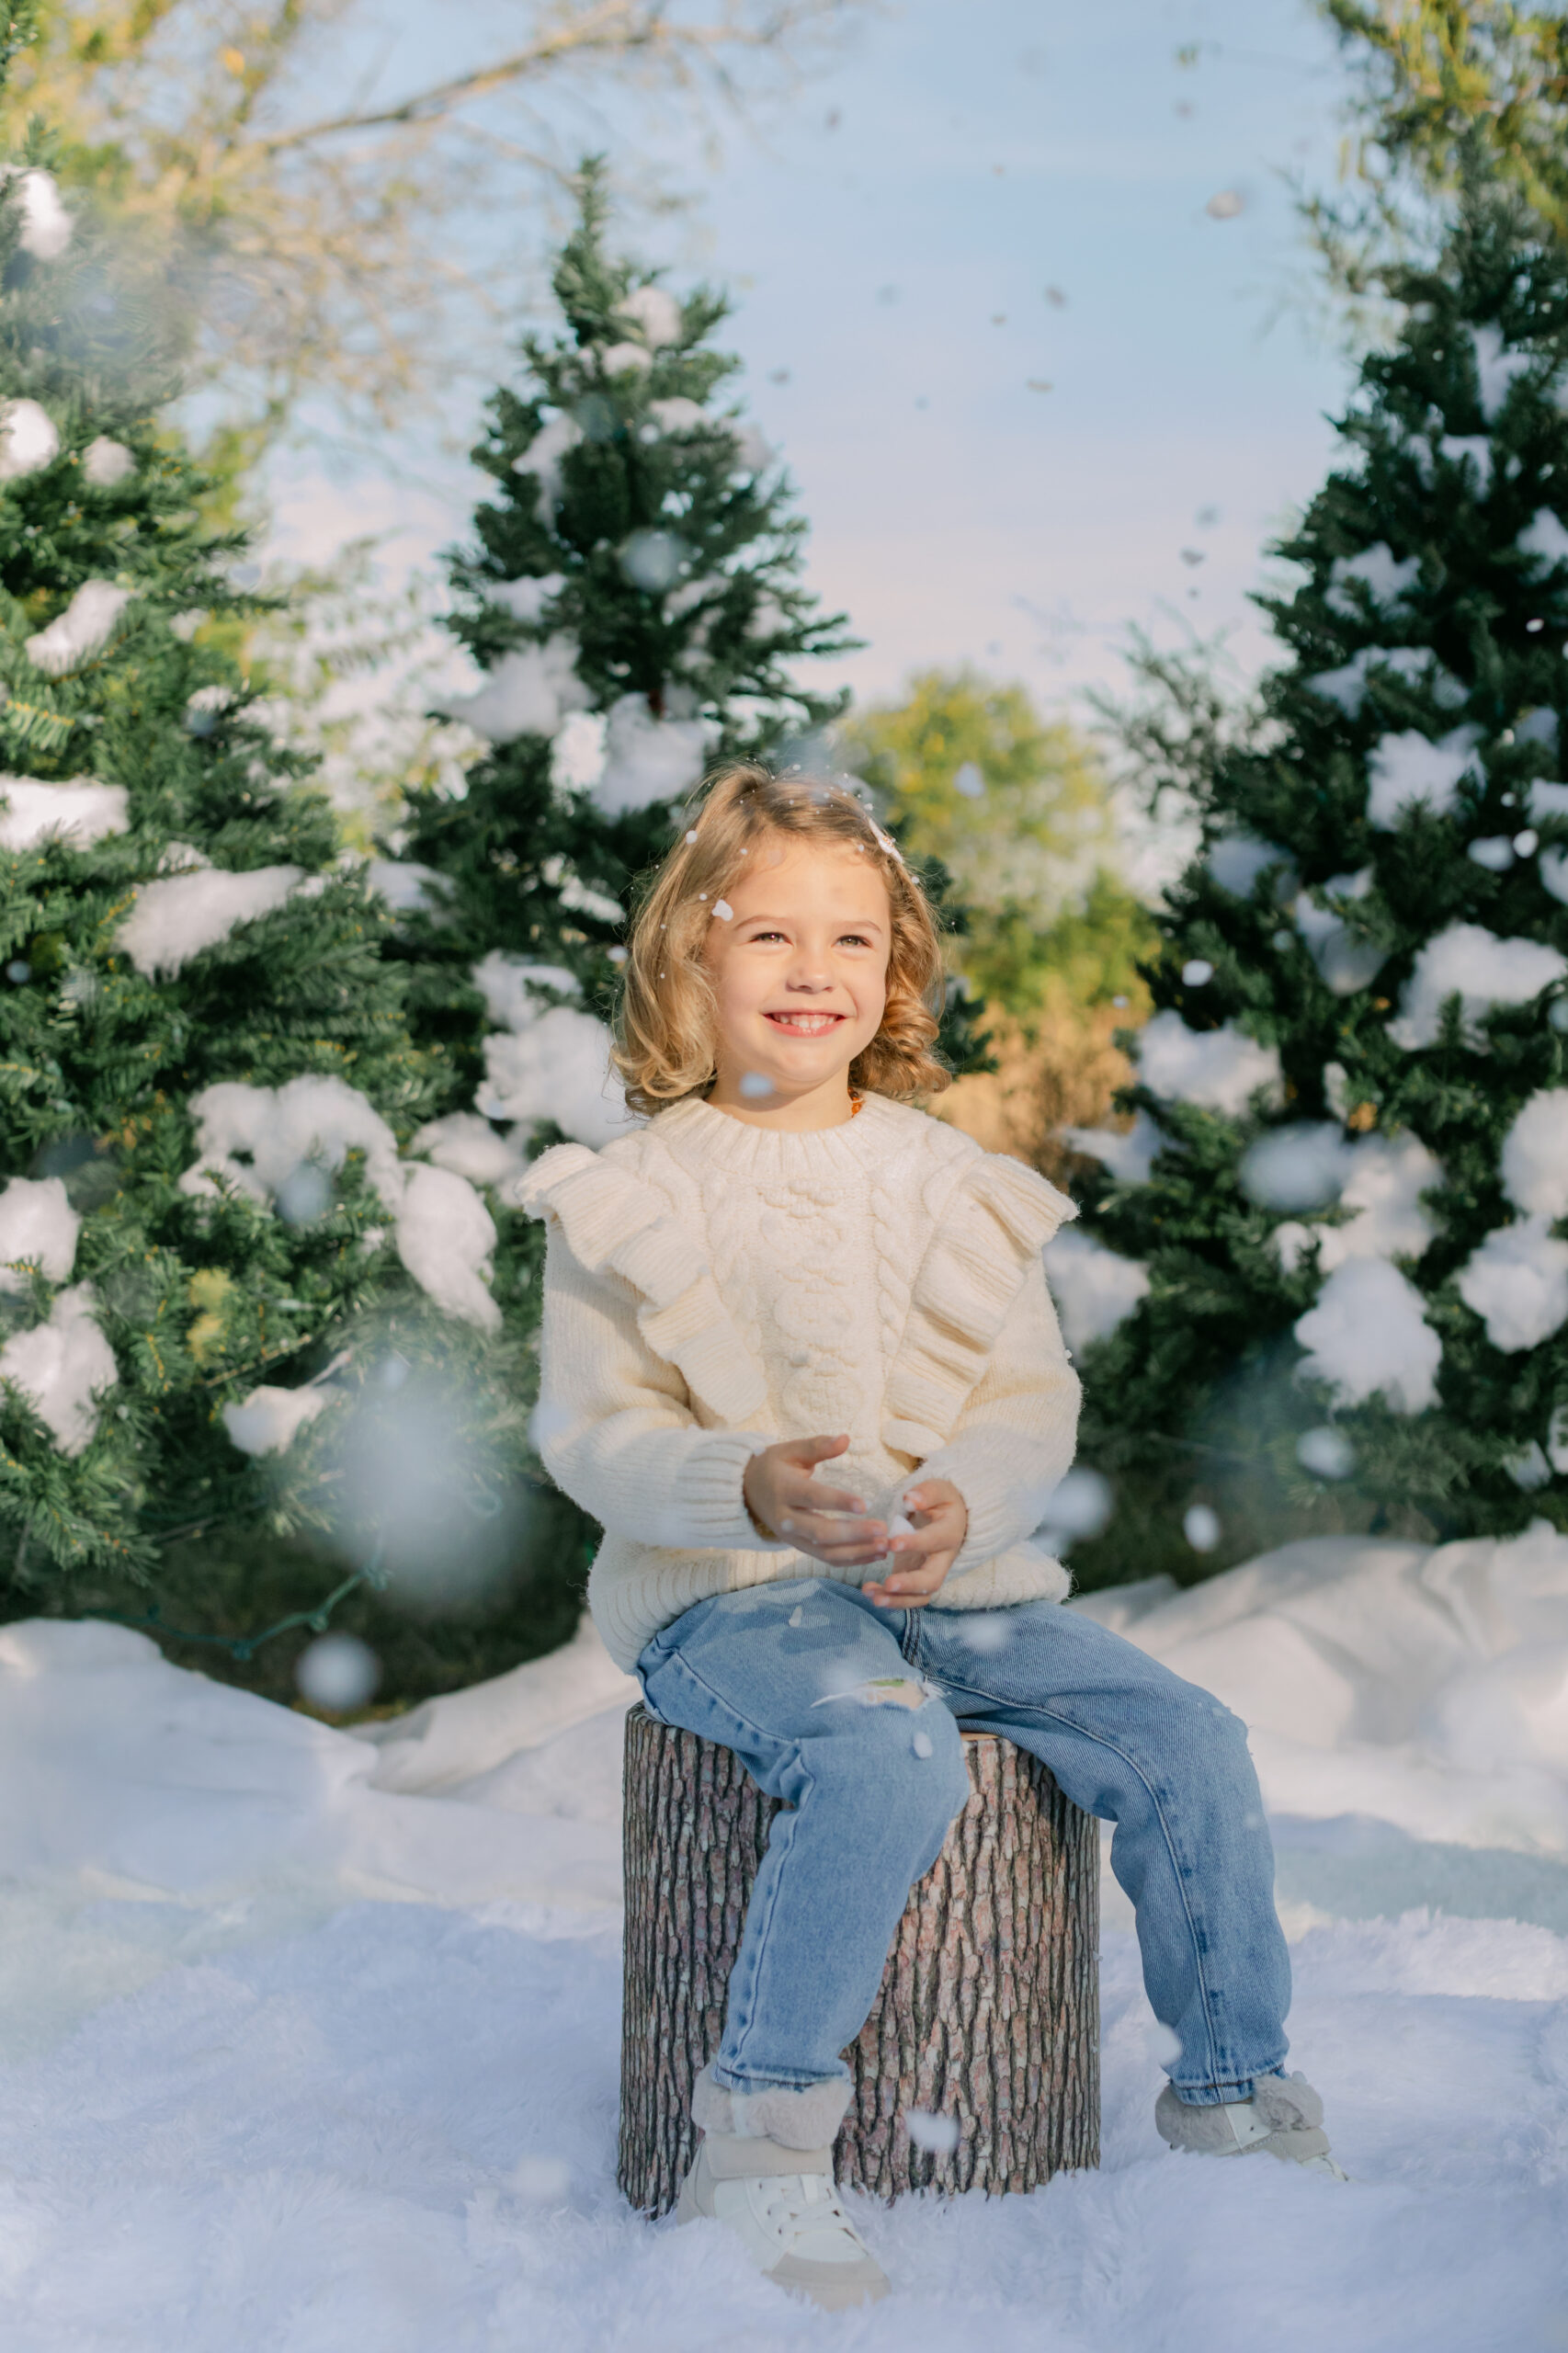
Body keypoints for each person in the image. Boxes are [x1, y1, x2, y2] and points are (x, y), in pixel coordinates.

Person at [519, 761, 1343, 2312]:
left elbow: (1031, 1397)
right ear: (687, 959)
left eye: (849, 941)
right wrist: (744, 1486)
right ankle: (757, 2140)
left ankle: (1234, 2091)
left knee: (1182, 1735)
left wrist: (966, 1496)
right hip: (735, 1604)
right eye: (765, 937)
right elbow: (592, 1436)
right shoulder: (625, 1202)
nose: (810, 973)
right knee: (887, 1745)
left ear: (893, 968)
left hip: (952, 1586)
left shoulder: (951, 1184)